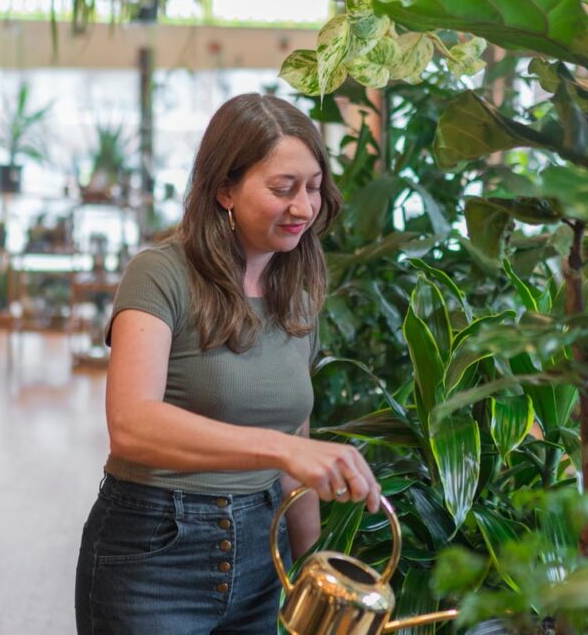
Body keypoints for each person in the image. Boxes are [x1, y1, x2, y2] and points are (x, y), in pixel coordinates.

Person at [75, 92, 382, 635]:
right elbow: (130, 425)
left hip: (266, 555)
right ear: (224, 190)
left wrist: (314, 570)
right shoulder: (158, 274)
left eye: (312, 187)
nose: (304, 208)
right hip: (154, 554)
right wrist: (283, 446)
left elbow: (296, 444)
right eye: (282, 188)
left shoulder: (298, 290)